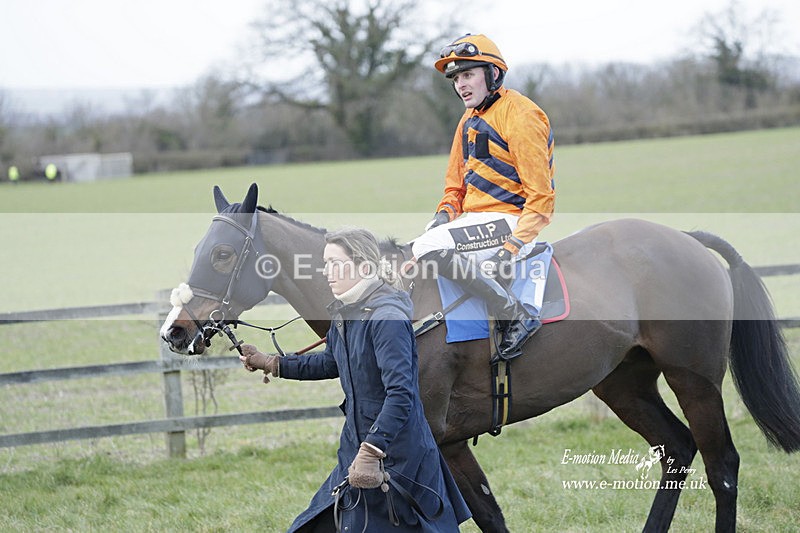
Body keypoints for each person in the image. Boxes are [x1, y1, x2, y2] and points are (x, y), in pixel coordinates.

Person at [240, 228, 471, 532]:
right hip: (357, 447)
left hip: (399, 457)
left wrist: (372, 450)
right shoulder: (346, 312)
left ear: (364, 267)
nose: (328, 272)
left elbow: (401, 394)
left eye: (336, 263)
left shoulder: (386, 318)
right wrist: (272, 363)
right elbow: (331, 361)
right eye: (325, 264)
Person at [411, 33, 556, 359]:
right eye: (456, 78)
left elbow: (542, 199)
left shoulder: (521, 115)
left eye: (468, 75)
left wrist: (510, 249)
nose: (461, 85)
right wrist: (440, 218)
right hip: (476, 223)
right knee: (419, 245)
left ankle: (517, 314)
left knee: (427, 247)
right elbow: (455, 189)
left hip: (513, 222)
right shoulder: (468, 119)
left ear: (492, 74)